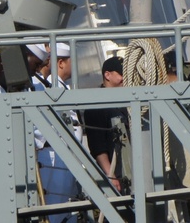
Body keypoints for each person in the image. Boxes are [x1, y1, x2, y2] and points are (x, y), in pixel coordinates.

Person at [35, 42, 82, 222]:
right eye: (71, 61)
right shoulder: (48, 87)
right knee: (55, 208)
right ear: (61, 63)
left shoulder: (60, 87)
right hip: (52, 155)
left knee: (66, 207)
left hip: (65, 156)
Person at [83, 56, 130, 192]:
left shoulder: (129, 101)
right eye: (122, 74)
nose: (125, 79)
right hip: (118, 175)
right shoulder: (96, 106)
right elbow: (98, 147)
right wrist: (111, 175)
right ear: (107, 75)